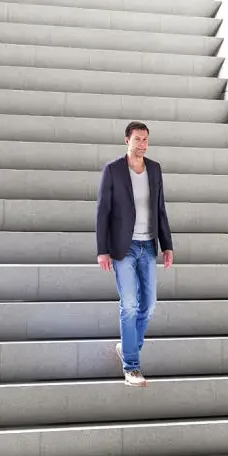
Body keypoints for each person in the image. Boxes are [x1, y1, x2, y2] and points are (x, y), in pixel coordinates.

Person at [95, 119, 174, 385]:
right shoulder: (113, 170)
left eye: (146, 139)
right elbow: (102, 212)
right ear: (126, 140)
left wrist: (167, 245)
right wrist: (102, 250)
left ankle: (127, 346)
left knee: (148, 305)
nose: (142, 144)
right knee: (129, 304)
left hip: (148, 245)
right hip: (123, 247)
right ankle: (132, 366)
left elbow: (160, 209)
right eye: (138, 139)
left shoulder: (154, 169)